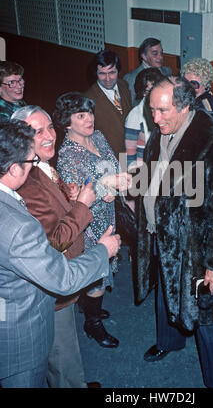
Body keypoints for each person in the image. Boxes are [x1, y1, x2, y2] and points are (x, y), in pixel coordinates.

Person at [135, 76, 213, 388]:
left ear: (184, 106)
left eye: (162, 111)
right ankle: (169, 341)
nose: (155, 119)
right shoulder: (161, 133)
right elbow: (154, 179)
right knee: (164, 292)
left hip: (198, 248)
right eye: (151, 110)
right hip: (162, 235)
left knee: (206, 313)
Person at [0, 121, 120, 388]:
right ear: (12, 168)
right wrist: (104, 251)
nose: (34, 164)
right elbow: (62, 278)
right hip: (18, 339)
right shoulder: (15, 226)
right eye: (29, 159)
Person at [13, 105, 98, 388]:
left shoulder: (41, 165)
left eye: (50, 126)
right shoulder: (26, 183)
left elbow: (53, 212)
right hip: (50, 292)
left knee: (68, 350)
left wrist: (69, 198)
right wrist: (83, 206)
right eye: (38, 132)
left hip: (61, 282)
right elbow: (53, 241)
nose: (50, 135)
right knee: (63, 362)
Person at [53, 92, 131, 350]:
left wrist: (114, 188)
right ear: (67, 122)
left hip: (106, 215)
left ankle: (91, 308)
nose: (89, 119)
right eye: (81, 116)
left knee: (102, 270)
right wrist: (104, 188)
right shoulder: (67, 154)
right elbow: (77, 201)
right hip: (87, 223)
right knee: (96, 275)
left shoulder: (97, 137)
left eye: (90, 113)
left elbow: (113, 168)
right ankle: (93, 323)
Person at [84, 50, 132, 159]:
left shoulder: (124, 85)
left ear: (118, 71)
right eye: (102, 73)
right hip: (108, 159)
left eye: (112, 72)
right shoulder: (88, 98)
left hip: (130, 153)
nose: (108, 79)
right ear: (95, 73)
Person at [125, 67, 164, 169]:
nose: (152, 96)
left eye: (155, 90)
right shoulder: (135, 116)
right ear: (142, 92)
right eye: (148, 91)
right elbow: (130, 155)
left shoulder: (163, 112)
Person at [124, 38, 172, 107]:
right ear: (144, 56)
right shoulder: (131, 77)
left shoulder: (167, 72)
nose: (160, 57)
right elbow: (129, 105)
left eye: (161, 53)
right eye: (155, 54)